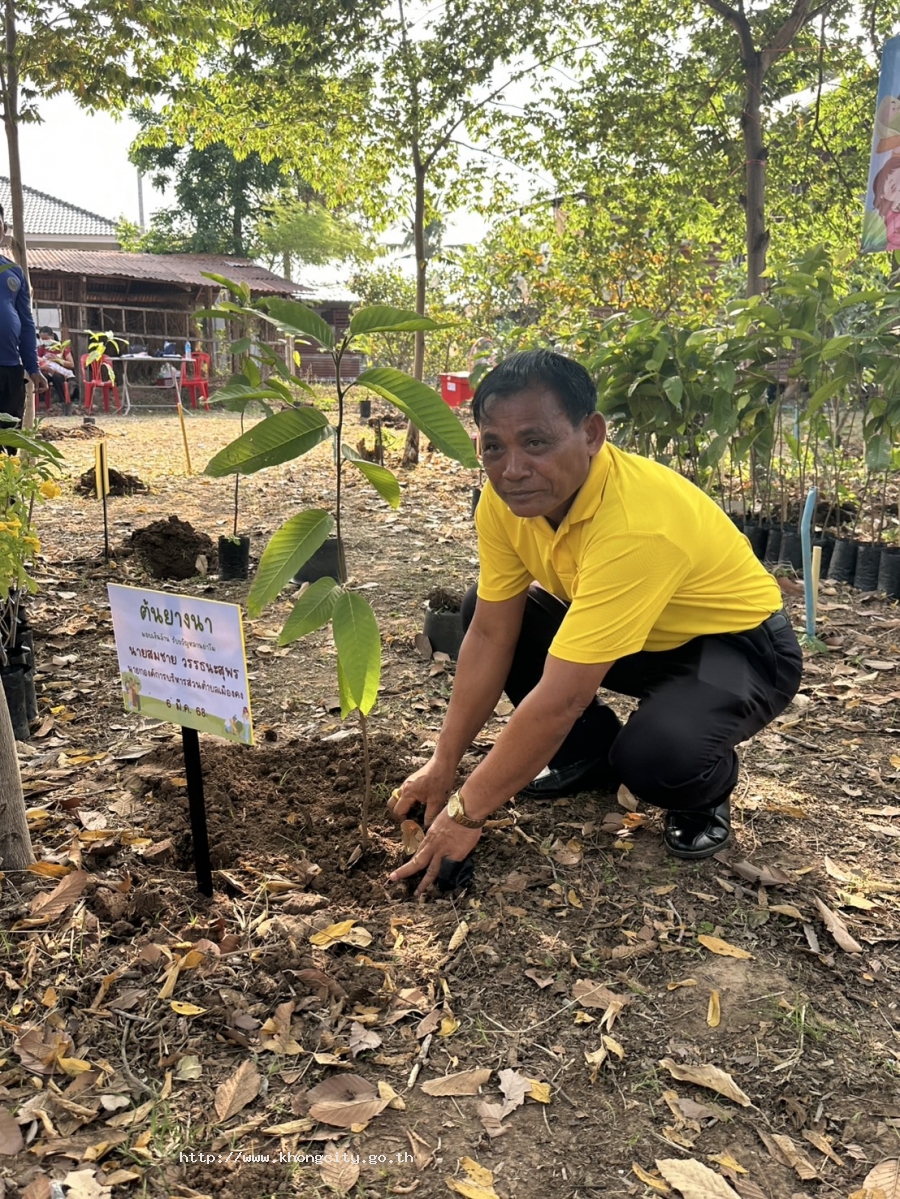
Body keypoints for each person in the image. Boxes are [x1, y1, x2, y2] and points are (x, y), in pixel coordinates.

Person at [389, 350, 803, 894]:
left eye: (535, 442)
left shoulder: (637, 523)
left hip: (734, 649)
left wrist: (465, 814)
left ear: (591, 434)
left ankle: (704, 792)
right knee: (485, 611)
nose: (513, 469)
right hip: (639, 638)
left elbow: (562, 698)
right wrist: (443, 763)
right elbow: (490, 635)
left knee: (655, 758)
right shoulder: (505, 500)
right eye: (494, 447)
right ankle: (587, 755)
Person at [0, 204, 46, 428]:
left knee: (10, 438)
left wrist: (33, 368)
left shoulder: (14, 271)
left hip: (10, 368)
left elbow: (26, 323)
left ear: (4, 229)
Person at [37, 326, 77, 412]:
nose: (44, 341)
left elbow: (71, 364)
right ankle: (41, 403)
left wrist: (57, 359)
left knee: (57, 377)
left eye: (46, 338)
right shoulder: (41, 349)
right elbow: (37, 361)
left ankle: (64, 403)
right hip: (46, 371)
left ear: (52, 336)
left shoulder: (62, 348)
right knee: (41, 377)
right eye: (42, 339)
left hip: (60, 373)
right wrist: (43, 366)